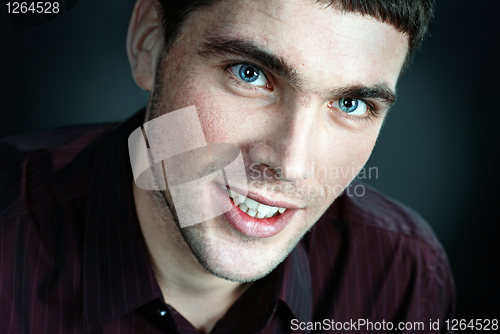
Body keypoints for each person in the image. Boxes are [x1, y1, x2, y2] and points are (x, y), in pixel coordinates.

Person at [0, 0, 455, 333]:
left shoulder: (402, 274)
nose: (290, 164)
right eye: (249, 73)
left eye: (351, 103)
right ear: (149, 44)